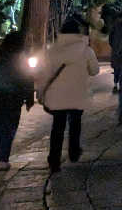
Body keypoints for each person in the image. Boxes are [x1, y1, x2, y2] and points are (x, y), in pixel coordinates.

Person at [38, 17, 99, 174]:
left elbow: (44, 74)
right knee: (75, 123)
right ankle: (73, 151)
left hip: (57, 96)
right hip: (77, 93)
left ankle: (54, 160)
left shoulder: (53, 50)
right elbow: (94, 71)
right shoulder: (86, 50)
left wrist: (40, 92)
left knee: (57, 127)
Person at [0, 32, 34, 170]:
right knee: (8, 128)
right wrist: (29, 98)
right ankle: (2, 160)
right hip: (14, 97)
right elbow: (28, 80)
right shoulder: (23, 59)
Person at [108, 11, 122, 93]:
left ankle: (115, 86)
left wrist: (114, 47)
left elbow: (110, 41)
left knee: (117, 70)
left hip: (116, 53)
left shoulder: (114, 28)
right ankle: (121, 87)